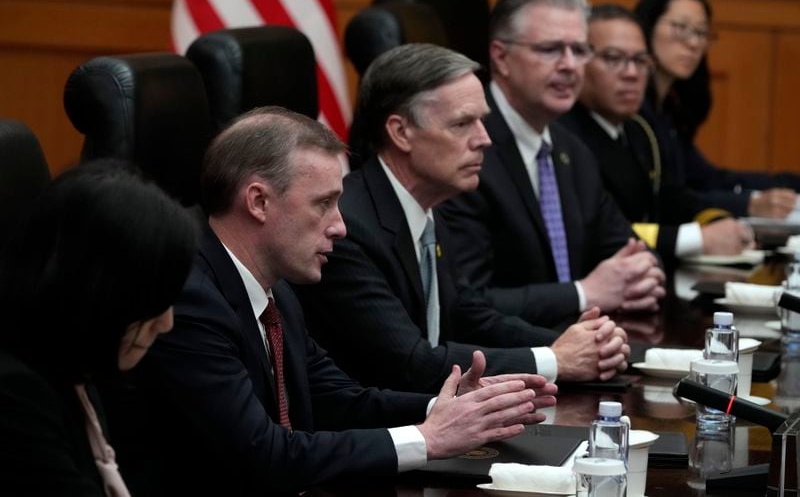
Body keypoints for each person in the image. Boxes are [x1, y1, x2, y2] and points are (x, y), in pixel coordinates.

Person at [132, 106, 556, 496]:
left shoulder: (277, 289)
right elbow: (263, 455)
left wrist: (451, 408)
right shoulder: (190, 300)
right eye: (323, 204)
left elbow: (335, 399)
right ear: (259, 201)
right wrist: (428, 438)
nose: (340, 227)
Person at [296, 44, 630, 394]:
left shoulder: (428, 208)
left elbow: (468, 314)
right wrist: (554, 359)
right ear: (401, 132)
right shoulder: (348, 228)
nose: (484, 140)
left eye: (482, 121)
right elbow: (410, 363)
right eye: (462, 124)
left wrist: (580, 343)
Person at [440, 0, 665, 324]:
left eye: (579, 50)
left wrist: (642, 274)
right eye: (550, 49)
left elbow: (634, 251)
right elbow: (464, 302)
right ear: (501, 57)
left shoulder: (570, 150)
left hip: (580, 351)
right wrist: (584, 293)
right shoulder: (464, 148)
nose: (570, 65)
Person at [0, 160, 197, 496]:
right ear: (100, 296)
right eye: (153, 304)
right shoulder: (14, 397)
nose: (167, 323)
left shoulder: (78, 361)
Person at [558, 4, 754, 262]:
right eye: (613, 58)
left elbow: (671, 198)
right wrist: (696, 239)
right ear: (580, 61)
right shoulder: (563, 134)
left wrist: (722, 222)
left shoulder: (639, 129)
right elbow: (600, 229)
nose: (631, 73)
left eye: (640, 61)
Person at [635, 0, 800, 219]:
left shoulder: (669, 109)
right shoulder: (633, 110)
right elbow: (669, 198)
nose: (693, 43)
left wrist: (787, 183)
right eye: (680, 27)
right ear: (647, 27)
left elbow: (709, 179)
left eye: (701, 32)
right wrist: (749, 205)